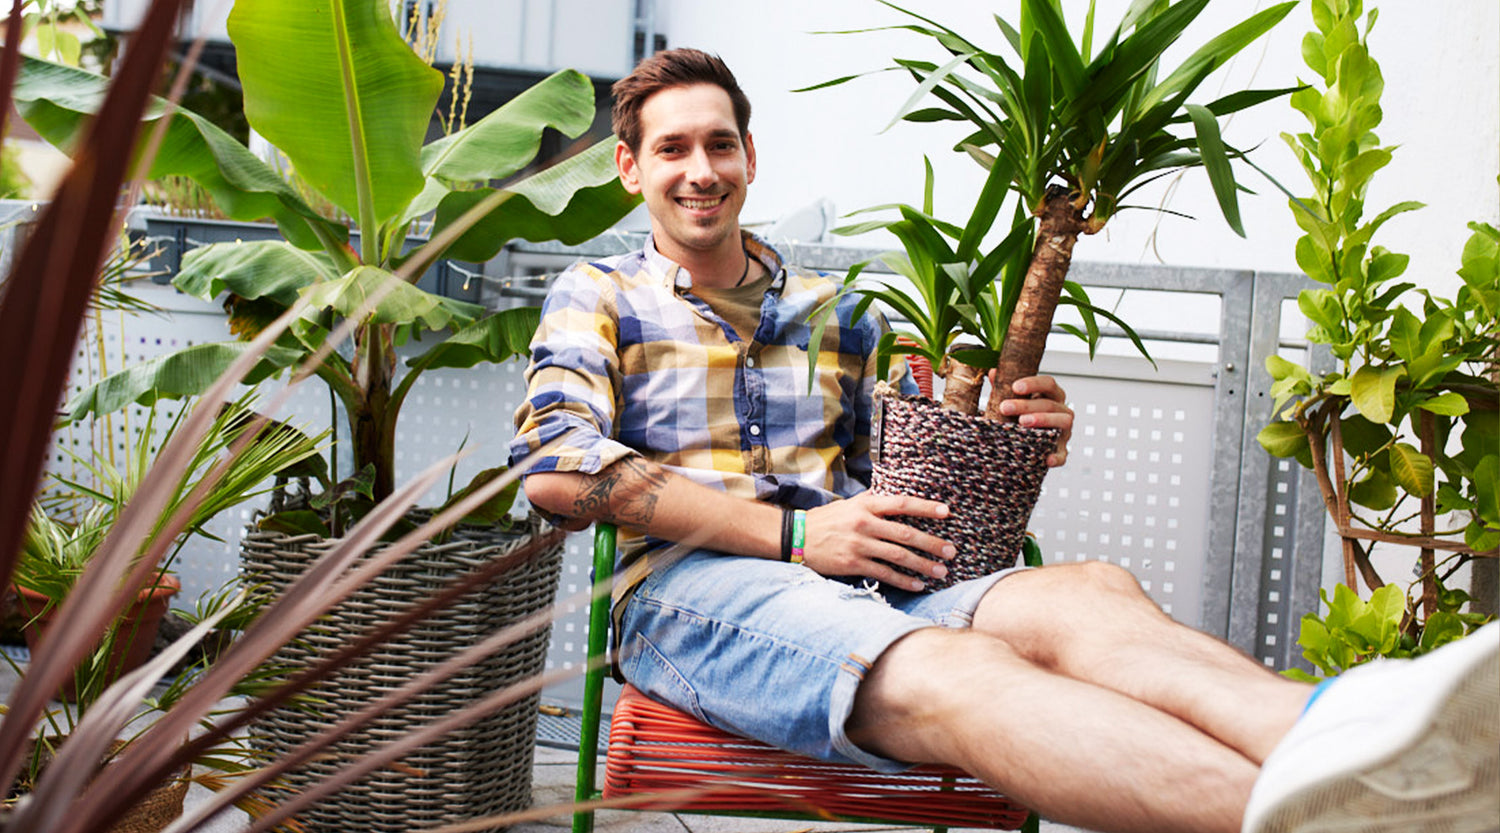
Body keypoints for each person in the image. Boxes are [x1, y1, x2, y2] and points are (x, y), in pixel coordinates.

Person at [510, 48, 1499, 833]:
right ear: (630, 165)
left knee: (1090, 591)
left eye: (720, 143)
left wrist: (1011, 432)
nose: (701, 169)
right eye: (673, 148)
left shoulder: (841, 311)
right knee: (951, 668)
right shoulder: (598, 297)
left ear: (750, 157)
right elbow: (559, 469)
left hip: (876, 566)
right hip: (694, 594)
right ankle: (1321, 818)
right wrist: (796, 539)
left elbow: (925, 443)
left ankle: (1337, 733)